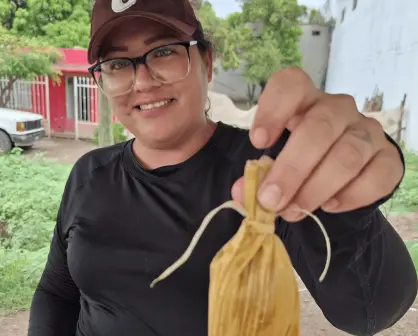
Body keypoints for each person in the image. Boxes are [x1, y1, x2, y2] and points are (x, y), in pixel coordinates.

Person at [28, 1, 417, 335]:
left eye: (163, 51)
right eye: (117, 63)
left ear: (207, 63)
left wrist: (348, 209)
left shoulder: (266, 172)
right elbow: (57, 291)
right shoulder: (88, 174)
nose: (142, 81)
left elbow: (370, 310)